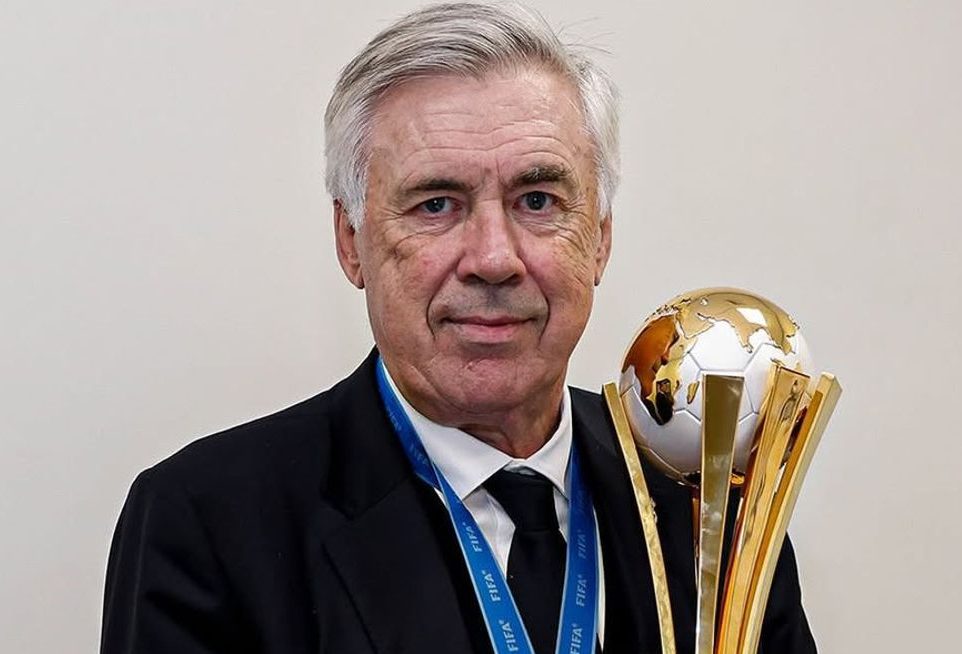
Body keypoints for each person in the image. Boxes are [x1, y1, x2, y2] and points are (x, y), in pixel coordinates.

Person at [100, 3, 817, 653]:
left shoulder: (705, 498)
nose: (494, 259)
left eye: (538, 200)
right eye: (436, 205)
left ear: (599, 237)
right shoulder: (210, 524)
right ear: (351, 243)